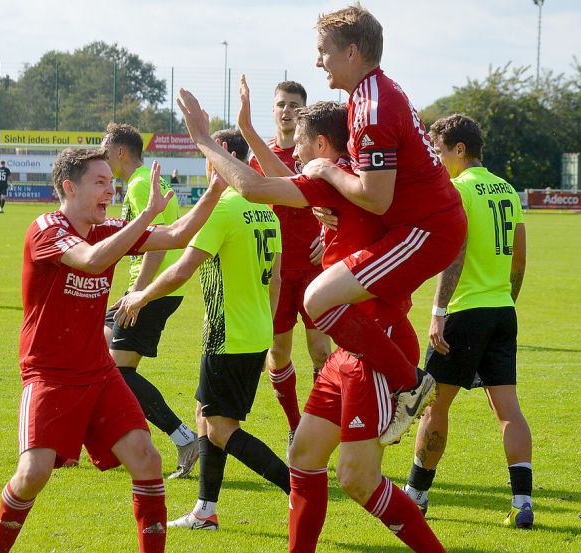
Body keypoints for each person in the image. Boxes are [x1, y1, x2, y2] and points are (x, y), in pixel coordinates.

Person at [176, 89, 444, 552]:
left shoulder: (341, 179)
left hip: (375, 346)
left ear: (322, 144)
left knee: (358, 480)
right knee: (302, 458)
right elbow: (285, 181)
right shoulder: (345, 180)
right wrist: (244, 133)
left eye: (300, 142)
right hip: (350, 346)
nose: (295, 151)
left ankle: (410, 386)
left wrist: (204, 138)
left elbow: (257, 187)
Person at [0, 147, 226, 553]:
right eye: (99, 183)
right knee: (33, 473)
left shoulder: (105, 228)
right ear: (69, 187)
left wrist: (218, 184)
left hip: (99, 372)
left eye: (110, 183)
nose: (109, 191)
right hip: (50, 374)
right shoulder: (46, 228)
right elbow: (93, 262)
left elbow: (179, 234)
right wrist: (147, 214)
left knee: (147, 460)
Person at [300, 3, 467, 445]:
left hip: (426, 232)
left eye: (324, 52)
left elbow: (376, 196)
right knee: (329, 300)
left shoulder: (372, 107)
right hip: (419, 226)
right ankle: (399, 379)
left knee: (318, 298)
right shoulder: (370, 94)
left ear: (353, 51)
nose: (319, 61)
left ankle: (409, 382)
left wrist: (326, 170)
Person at [114, 129, 291, 532]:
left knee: (222, 429)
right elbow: (276, 280)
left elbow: (180, 269)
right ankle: (205, 511)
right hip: (255, 331)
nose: (204, 159)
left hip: (227, 334)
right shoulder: (266, 209)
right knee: (205, 413)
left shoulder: (225, 209)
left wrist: (140, 297)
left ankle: (297, 486)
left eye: (207, 152)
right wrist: (265, 330)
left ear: (223, 156)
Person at [401, 114, 534, 529]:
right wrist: (505, 302)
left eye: (440, 151)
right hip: (501, 310)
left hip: (464, 313)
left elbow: (454, 254)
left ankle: (416, 495)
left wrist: (438, 312)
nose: (438, 160)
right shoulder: (507, 191)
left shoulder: (458, 189)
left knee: (434, 406)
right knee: (508, 410)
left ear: (460, 150)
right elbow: (520, 256)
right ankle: (522, 501)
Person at [100, 123, 200, 479]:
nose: (102, 154)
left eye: (105, 148)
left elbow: (156, 245)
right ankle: (100, 440)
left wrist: (137, 295)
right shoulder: (143, 181)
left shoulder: (142, 183)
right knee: (97, 352)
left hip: (153, 290)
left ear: (120, 151)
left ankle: (184, 437)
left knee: (119, 371)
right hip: (150, 288)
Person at [240, 77, 331, 440]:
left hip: (314, 269)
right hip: (275, 270)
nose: (287, 110)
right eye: (281, 104)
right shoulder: (258, 158)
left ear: (304, 111)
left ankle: (316, 424)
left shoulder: (317, 154)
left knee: (321, 351)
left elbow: (334, 203)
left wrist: (329, 236)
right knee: (278, 352)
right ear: (273, 110)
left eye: (295, 105)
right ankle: (296, 425)